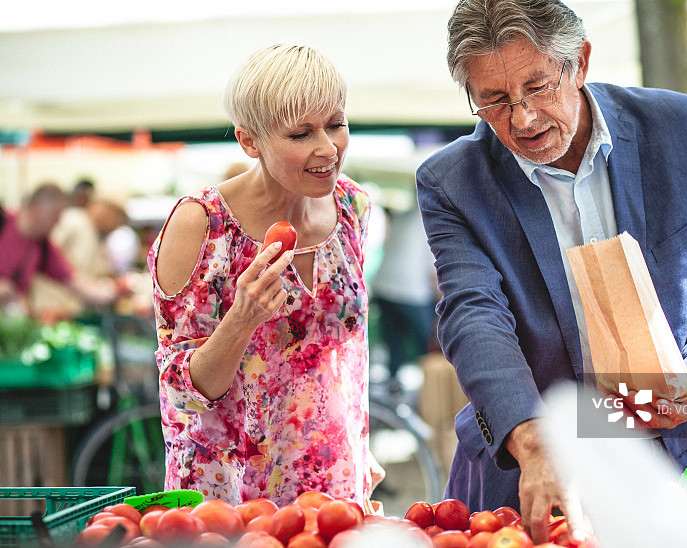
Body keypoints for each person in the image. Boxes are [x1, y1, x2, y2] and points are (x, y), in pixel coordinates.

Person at [415, 0, 687, 543]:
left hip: (684, 457)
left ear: (578, 63)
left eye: (537, 87)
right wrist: (533, 442)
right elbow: (473, 314)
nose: (523, 118)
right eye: (494, 100)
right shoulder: (452, 180)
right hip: (535, 468)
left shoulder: (678, 128)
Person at [148, 44, 382, 506]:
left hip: (334, 486)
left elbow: (345, 360)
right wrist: (242, 318)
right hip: (232, 497)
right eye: (301, 134)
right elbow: (181, 394)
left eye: (336, 123)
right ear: (249, 141)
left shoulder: (352, 207)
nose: (327, 147)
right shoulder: (203, 224)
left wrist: (361, 448)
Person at [0, 183, 121, 317]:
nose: (58, 222)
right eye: (55, 215)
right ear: (37, 208)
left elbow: (74, 282)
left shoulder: (42, 246)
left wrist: (113, 292)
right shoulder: (3, 223)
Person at [371, 201, 438, 395]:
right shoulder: (433, 219)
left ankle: (393, 385)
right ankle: (432, 394)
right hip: (411, 292)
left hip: (384, 286)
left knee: (394, 341)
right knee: (429, 344)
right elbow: (433, 273)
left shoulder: (407, 214)